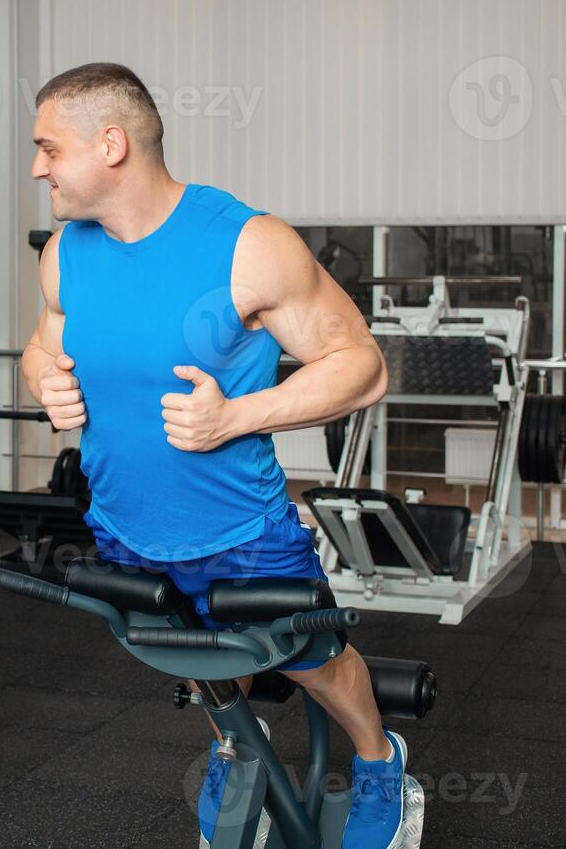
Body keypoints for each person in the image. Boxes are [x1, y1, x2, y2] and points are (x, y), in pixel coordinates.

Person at [22, 63, 405, 849]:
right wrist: (44, 382)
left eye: (48, 148)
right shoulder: (66, 251)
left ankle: (378, 757)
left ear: (112, 144)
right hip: (124, 526)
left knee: (313, 663)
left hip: (242, 530)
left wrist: (236, 415)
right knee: (191, 658)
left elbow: (362, 365)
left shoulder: (247, 243)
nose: (38, 168)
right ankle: (235, 741)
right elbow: (45, 343)